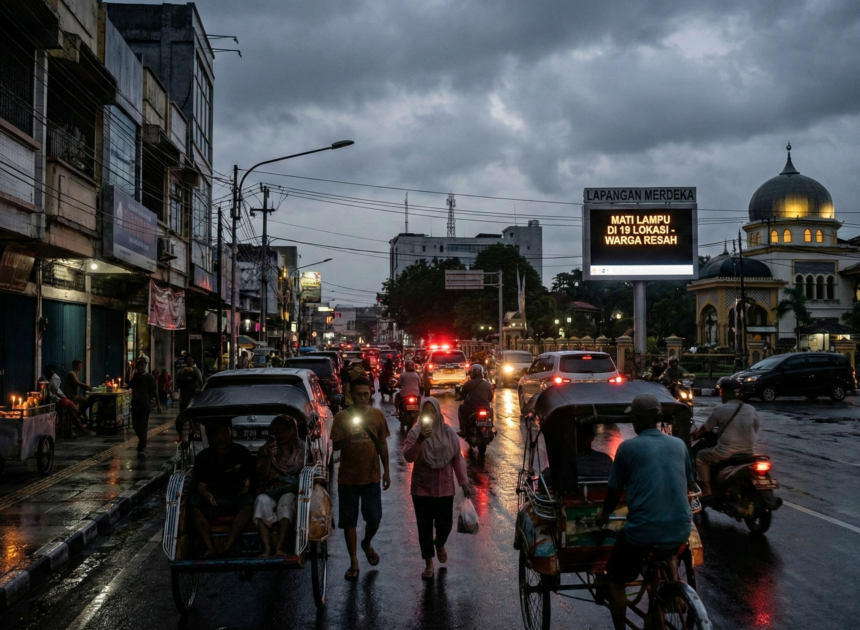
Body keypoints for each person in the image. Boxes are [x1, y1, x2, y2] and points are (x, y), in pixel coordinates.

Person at [596, 394, 695, 630]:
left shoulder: (628, 448)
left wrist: (604, 515)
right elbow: (690, 483)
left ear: (637, 420)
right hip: (681, 529)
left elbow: (614, 490)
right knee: (658, 556)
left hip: (642, 533)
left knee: (616, 578)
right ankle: (661, 602)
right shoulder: (679, 444)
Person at [330, 376, 391, 580]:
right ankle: (354, 561)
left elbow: (382, 444)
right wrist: (349, 436)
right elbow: (336, 446)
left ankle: (366, 542)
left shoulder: (377, 415)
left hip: (372, 476)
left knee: (374, 519)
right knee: (349, 522)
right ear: (351, 394)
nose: (362, 397)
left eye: (366, 394)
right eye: (358, 394)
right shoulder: (341, 418)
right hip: (348, 478)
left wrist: (387, 471)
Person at [403, 398, 471, 579]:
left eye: (432, 411)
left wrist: (464, 483)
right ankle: (429, 563)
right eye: (425, 411)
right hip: (421, 489)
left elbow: (457, 459)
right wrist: (420, 440)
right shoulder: (415, 432)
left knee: (445, 525)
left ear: (438, 413)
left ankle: (440, 543)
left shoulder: (449, 433)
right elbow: (409, 457)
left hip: (445, 489)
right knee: (424, 528)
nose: (429, 415)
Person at [190, 423, 255, 558]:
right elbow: (200, 484)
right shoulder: (203, 457)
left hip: (236, 497)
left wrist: (248, 482)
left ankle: (228, 546)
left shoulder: (241, 452)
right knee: (194, 505)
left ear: (230, 434)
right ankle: (209, 548)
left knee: (248, 504)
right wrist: (206, 494)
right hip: (215, 499)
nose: (222, 438)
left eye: (225, 434)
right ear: (211, 437)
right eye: (218, 435)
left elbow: (251, 476)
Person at [692, 377, 759, 497]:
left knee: (701, 456)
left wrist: (693, 435)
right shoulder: (751, 409)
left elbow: (704, 429)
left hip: (726, 452)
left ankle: (707, 490)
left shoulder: (720, 409)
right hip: (749, 453)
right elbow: (755, 428)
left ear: (725, 393)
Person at [253, 415, 305, 557]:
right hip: (270, 490)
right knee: (261, 502)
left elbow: (307, 470)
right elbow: (261, 475)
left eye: (285, 430)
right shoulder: (266, 449)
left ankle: (280, 548)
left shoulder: (301, 448)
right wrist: (269, 457)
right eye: (277, 430)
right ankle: (267, 548)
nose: (280, 434)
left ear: (293, 430)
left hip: (290, 490)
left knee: (286, 501)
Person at [45, 364, 95, 435]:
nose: (81, 366)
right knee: (75, 411)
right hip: (60, 399)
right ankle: (81, 427)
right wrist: (64, 396)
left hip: (58, 399)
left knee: (76, 410)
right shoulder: (58, 377)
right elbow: (56, 390)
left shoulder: (49, 379)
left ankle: (79, 424)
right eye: (80, 365)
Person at [127, 358, 162, 455]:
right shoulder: (136, 376)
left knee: (143, 425)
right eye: (138, 366)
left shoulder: (149, 378)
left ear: (145, 366)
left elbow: (155, 391)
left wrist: (158, 405)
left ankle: (141, 446)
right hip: (135, 404)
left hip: (145, 404)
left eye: (141, 366)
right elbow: (129, 385)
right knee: (135, 425)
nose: (139, 368)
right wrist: (129, 372)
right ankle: (142, 440)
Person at [456, 364, 494, 437]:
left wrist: (460, 396)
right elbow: (490, 398)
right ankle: (490, 428)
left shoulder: (468, 384)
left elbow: (462, 394)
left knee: (461, 407)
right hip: (485, 407)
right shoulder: (487, 384)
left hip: (472, 409)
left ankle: (463, 429)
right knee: (491, 410)